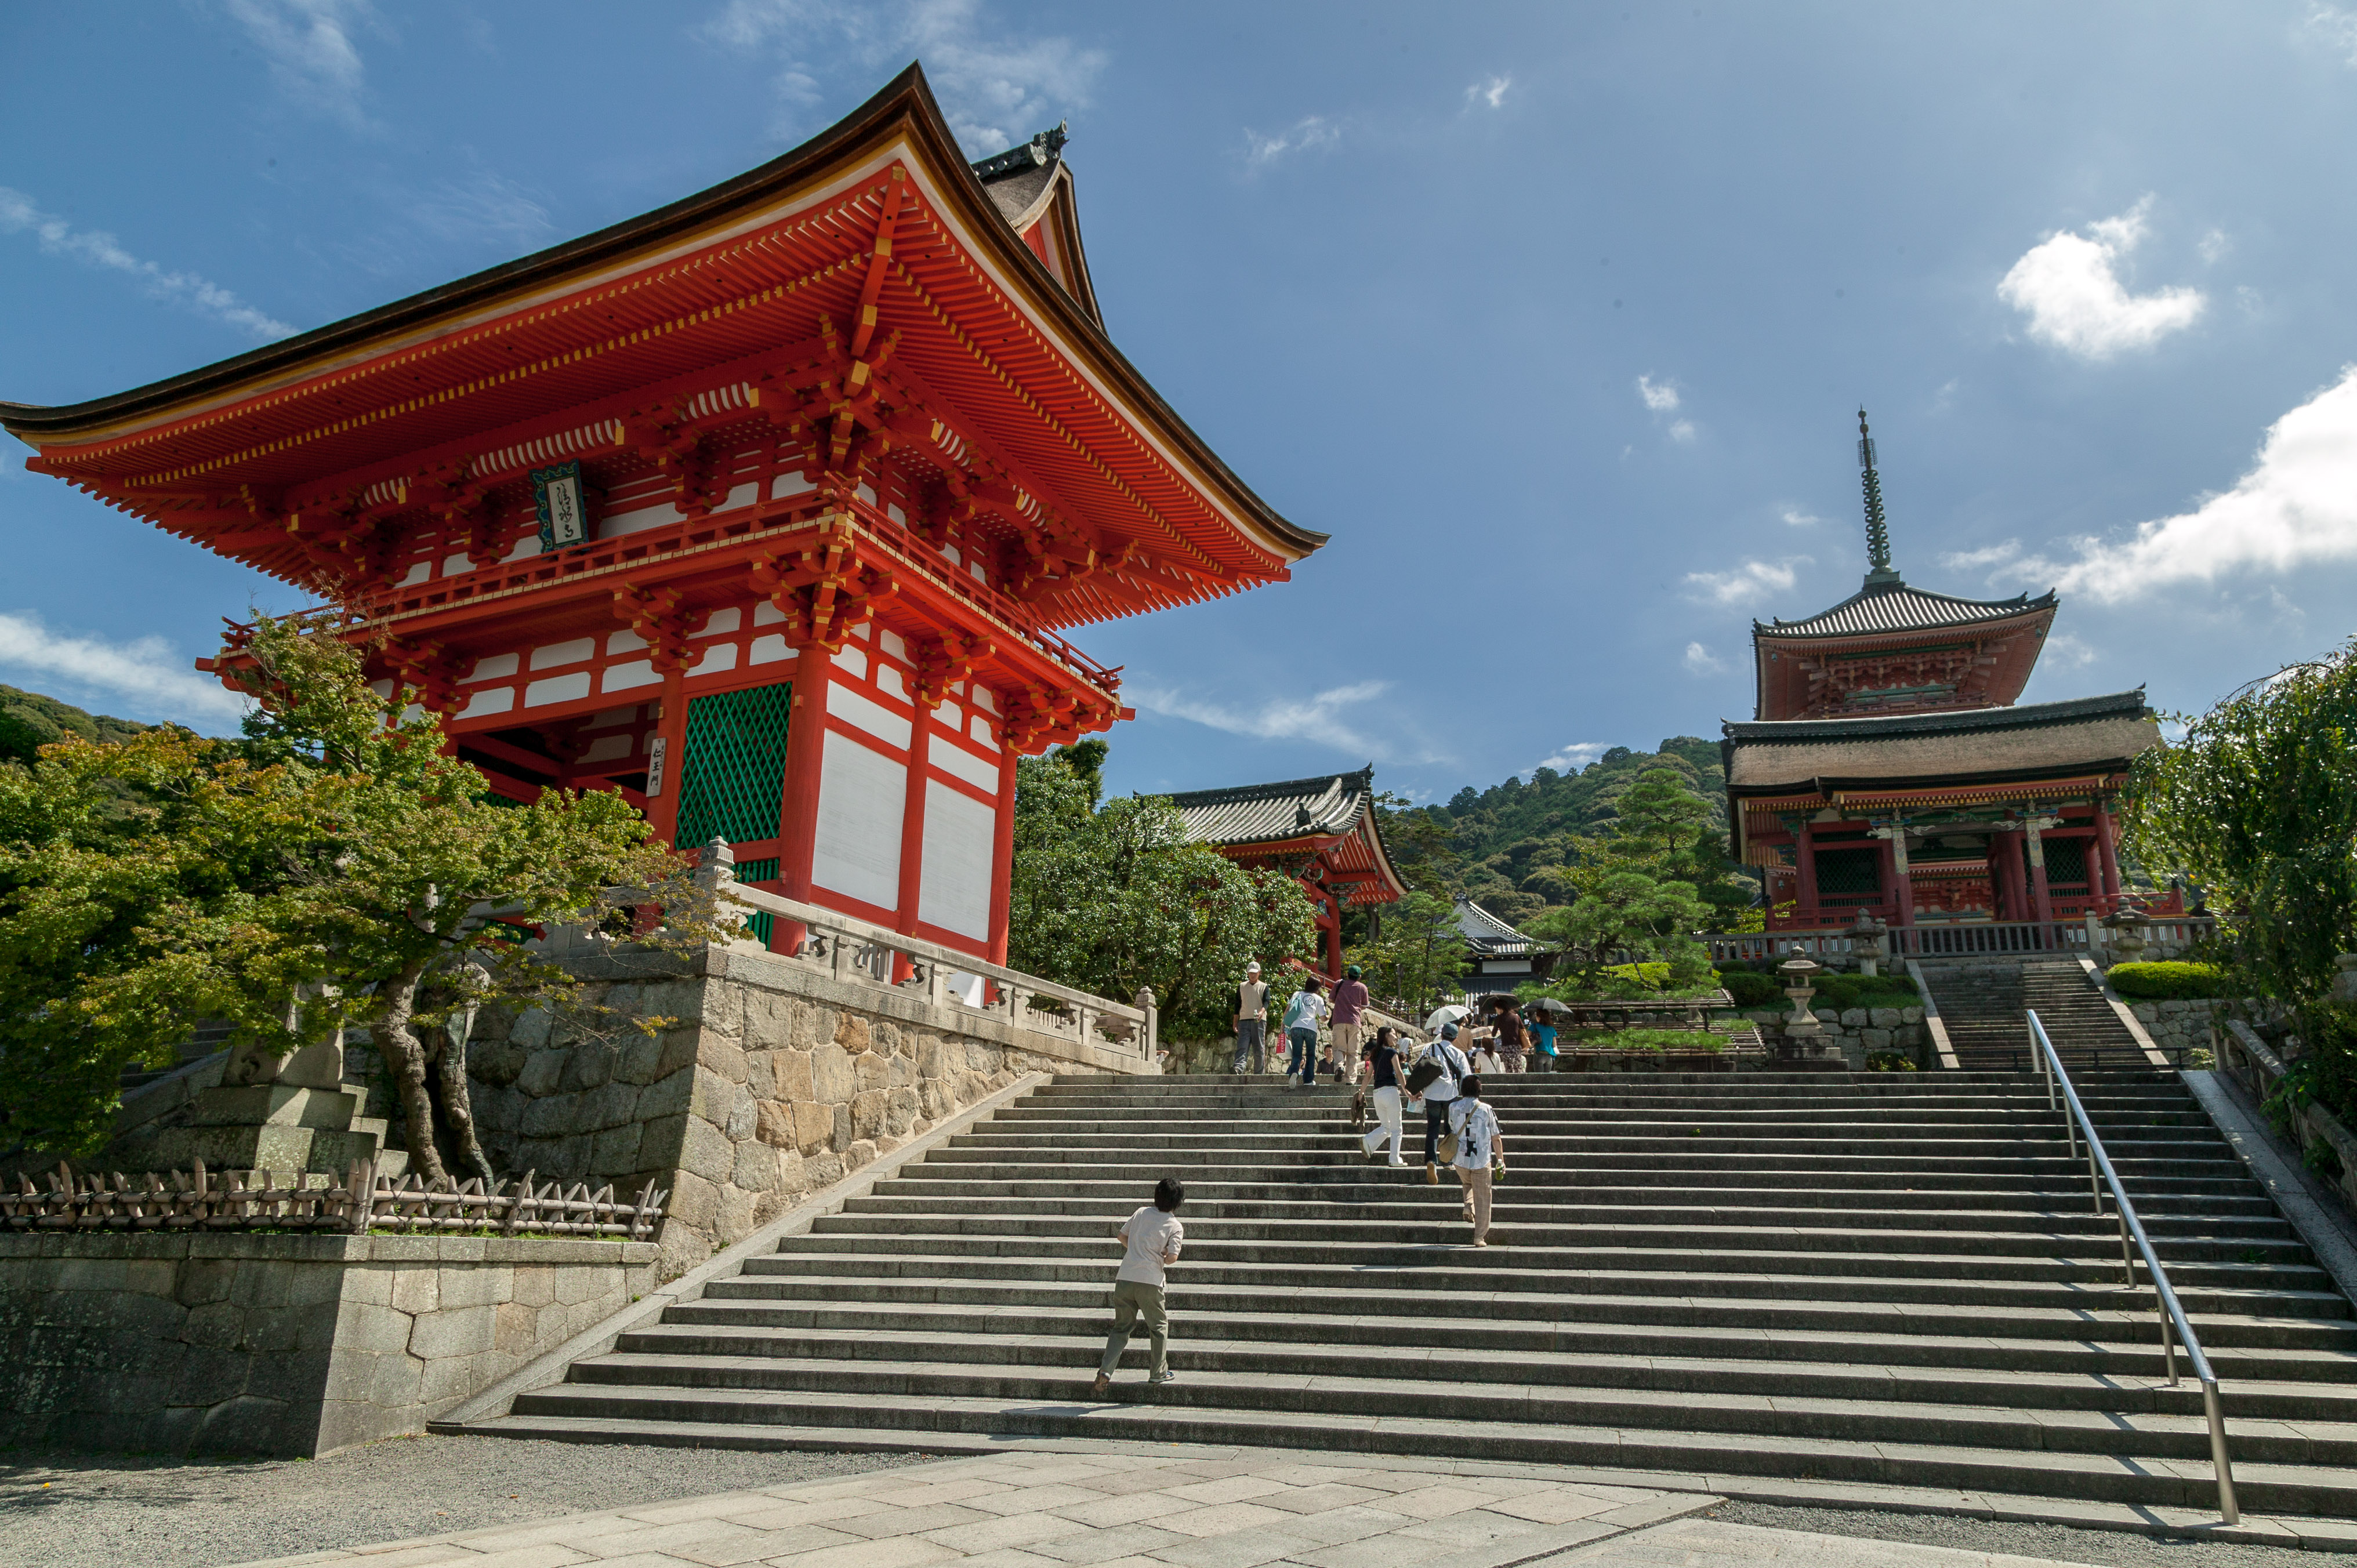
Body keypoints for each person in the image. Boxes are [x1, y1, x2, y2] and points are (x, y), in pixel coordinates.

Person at [1092, 1175, 1185, 1395]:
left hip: (1125, 1278)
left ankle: (1106, 1371)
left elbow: (1122, 1236)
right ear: (1178, 1202)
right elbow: (1172, 1257)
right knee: (1159, 1326)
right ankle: (1158, 1372)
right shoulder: (1175, 1225)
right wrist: (1162, 1256)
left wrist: (1136, 1250)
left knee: (1121, 1328)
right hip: (1150, 1281)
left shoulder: (1141, 1212)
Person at [1448, 1074, 1504, 1246]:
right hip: (1480, 1159)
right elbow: (1496, 1137)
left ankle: (1468, 1207)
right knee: (1484, 1198)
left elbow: (1451, 1127)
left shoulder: (1453, 1107)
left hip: (1460, 1159)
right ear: (1480, 1089)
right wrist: (1500, 1160)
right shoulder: (1486, 1109)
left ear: (1463, 1089)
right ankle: (1479, 1236)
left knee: (1468, 1184)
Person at [1413, 1023, 1473, 1184]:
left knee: (1432, 1127)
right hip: (1450, 1094)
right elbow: (1467, 1077)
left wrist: (1418, 1089)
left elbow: (1418, 1067)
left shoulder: (1429, 1048)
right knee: (1450, 1128)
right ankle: (1447, 1161)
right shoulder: (1458, 1053)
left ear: (1441, 1034)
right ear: (1455, 1038)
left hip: (1431, 1094)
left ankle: (1431, 1160)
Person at [1360, 1025, 1407, 1164]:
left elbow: (1368, 1076)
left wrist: (1361, 1093)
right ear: (1386, 1036)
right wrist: (1407, 1092)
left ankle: (1369, 1141)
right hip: (1390, 1092)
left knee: (1387, 1126)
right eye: (1393, 1034)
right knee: (1397, 1128)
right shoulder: (1392, 1052)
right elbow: (1399, 1073)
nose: (1395, 1037)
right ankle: (1394, 1159)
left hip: (1377, 1094)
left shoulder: (1375, 1053)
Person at [1282, 977, 1327, 1088]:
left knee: (1297, 1055)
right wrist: (1328, 1017)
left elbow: (1288, 1010)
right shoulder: (1318, 999)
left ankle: (1294, 1073)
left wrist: (1283, 1024)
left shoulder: (1297, 994)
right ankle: (1308, 1080)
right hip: (1310, 1028)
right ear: (1317, 988)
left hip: (1296, 1027)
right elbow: (1323, 1018)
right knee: (1310, 1055)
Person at [1329, 965, 1370, 1084]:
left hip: (1339, 1021)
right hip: (1355, 1022)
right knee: (1352, 1052)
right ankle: (1350, 1080)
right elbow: (1365, 1006)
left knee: (1338, 1048)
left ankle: (1340, 1067)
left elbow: (1331, 1000)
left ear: (1347, 975)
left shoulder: (1338, 984)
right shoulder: (1363, 988)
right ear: (1360, 977)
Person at [1232, 961, 1269, 1075]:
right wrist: (1235, 1022)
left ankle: (1259, 1074)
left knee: (1259, 1049)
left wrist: (1261, 1012)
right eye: (1250, 973)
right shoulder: (1242, 986)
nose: (1252, 975)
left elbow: (1267, 1002)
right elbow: (1237, 1005)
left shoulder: (1264, 987)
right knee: (1242, 1046)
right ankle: (1238, 1068)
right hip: (1244, 1020)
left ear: (1260, 973)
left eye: (1255, 973)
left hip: (1259, 1021)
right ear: (1247, 973)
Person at [1492, 996, 1528, 1073]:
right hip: (1517, 1046)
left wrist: (1498, 1027)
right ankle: (1519, 1084)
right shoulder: (1516, 1017)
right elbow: (1523, 1029)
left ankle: (1510, 1084)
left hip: (1506, 1046)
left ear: (1500, 1008)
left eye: (1496, 1009)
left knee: (1509, 1069)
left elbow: (1493, 1034)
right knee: (1518, 1067)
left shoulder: (1499, 1018)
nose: (1496, 1011)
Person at [1528, 1007, 1560, 1072]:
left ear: (1539, 1017)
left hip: (1539, 1054)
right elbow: (1554, 1045)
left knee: (1539, 1078)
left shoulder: (1534, 1026)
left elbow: (1526, 1037)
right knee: (1546, 1078)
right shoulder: (1552, 1029)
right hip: (1550, 1056)